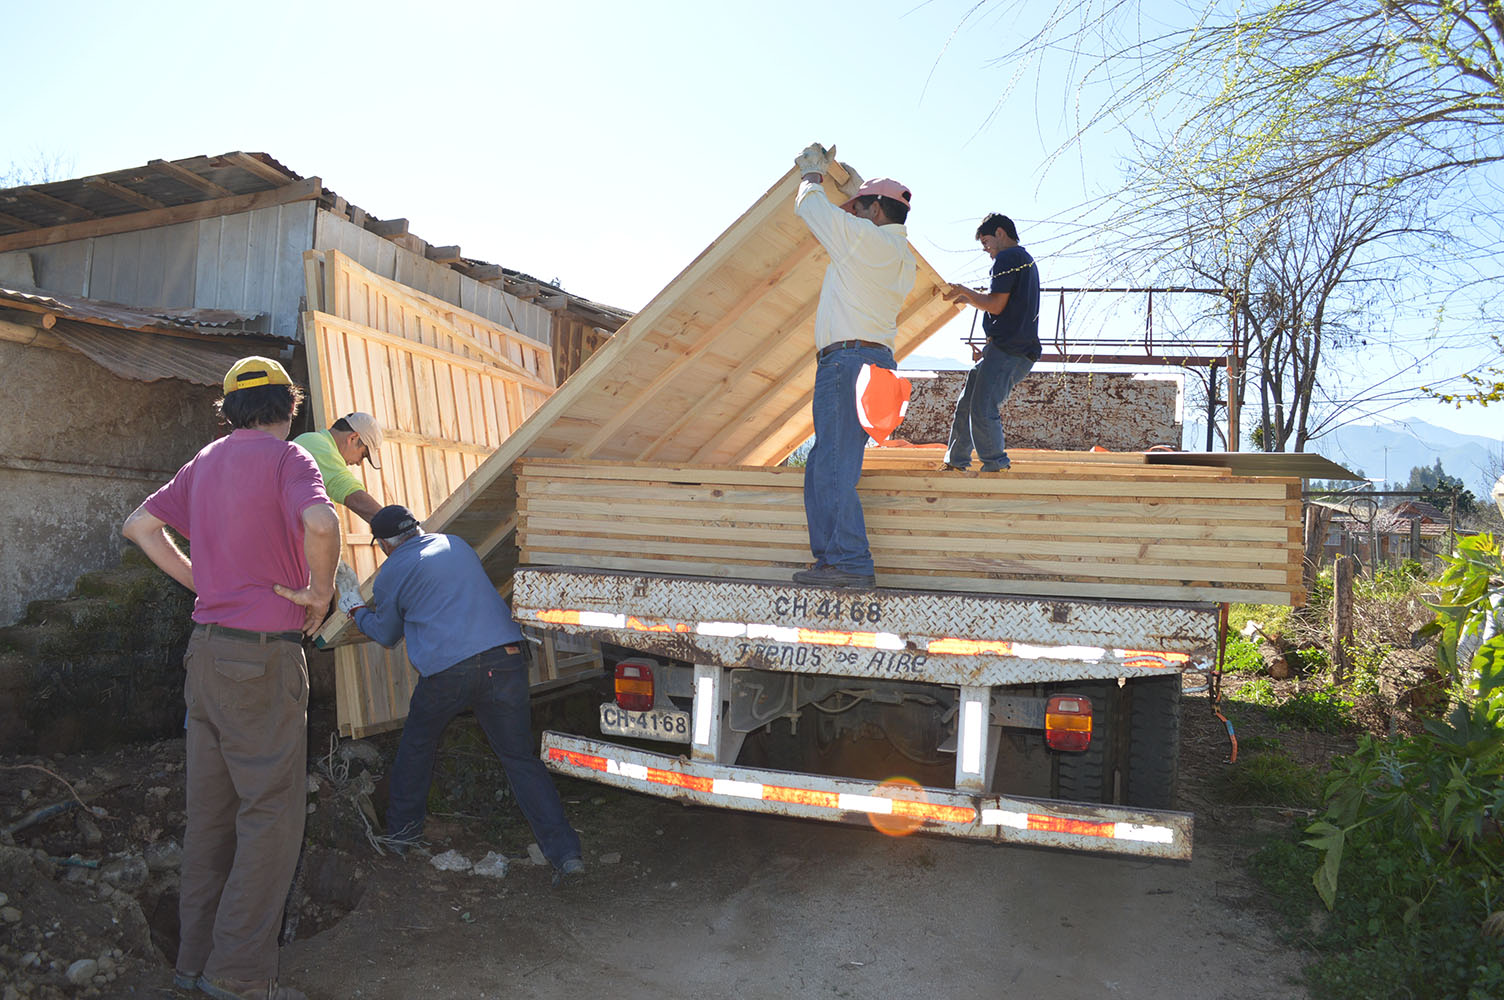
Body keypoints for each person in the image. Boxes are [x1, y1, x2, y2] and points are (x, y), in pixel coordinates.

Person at [123, 356, 339, 1000]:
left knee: (211, 817)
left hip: (206, 654)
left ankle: (192, 964)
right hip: (262, 659)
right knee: (270, 817)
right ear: (289, 406)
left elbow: (140, 526)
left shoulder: (206, 460)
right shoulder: (289, 460)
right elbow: (323, 523)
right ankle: (240, 977)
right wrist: (318, 594)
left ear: (229, 409)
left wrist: (202, 581)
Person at [311, 504, 585, 880]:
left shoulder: (392, 571)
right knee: (520, 760)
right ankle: (567, 854)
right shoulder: (456, 544)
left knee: (417, 747)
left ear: (385, 545)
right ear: (417, 528)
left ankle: (402, 837)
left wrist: (356, 608)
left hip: (449, 673)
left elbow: (387, 634)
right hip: (505, 661)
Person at [789, 142, 917, 589]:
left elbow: (812, 210)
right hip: (875, 363)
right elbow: (855, 225)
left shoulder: (866, 240)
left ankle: (850, 561)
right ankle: (832, 560)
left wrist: (811, 175)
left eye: (859, 209)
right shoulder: (901, 256)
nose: (853, 217)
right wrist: (860, 193)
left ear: (876, 213)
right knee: (829, 461)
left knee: (835, 464)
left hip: (848, 362)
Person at [941, 213, 1042, 472]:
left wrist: (966, 293)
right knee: (968, 403)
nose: (986, 250)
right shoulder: (1025, 259)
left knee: (983, 406)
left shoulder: (1007, 258)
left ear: (1000, 233)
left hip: (1009, 349)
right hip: (1008, 349)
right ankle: (955, 462)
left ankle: (996, 466)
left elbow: (996, 305)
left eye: (986, 242)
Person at [291, 412, 385, 523]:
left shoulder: (318, 444)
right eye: (363, 455)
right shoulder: (315, 443)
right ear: (353, 438)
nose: (359, 463)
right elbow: (351, 493)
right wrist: (397, 525)